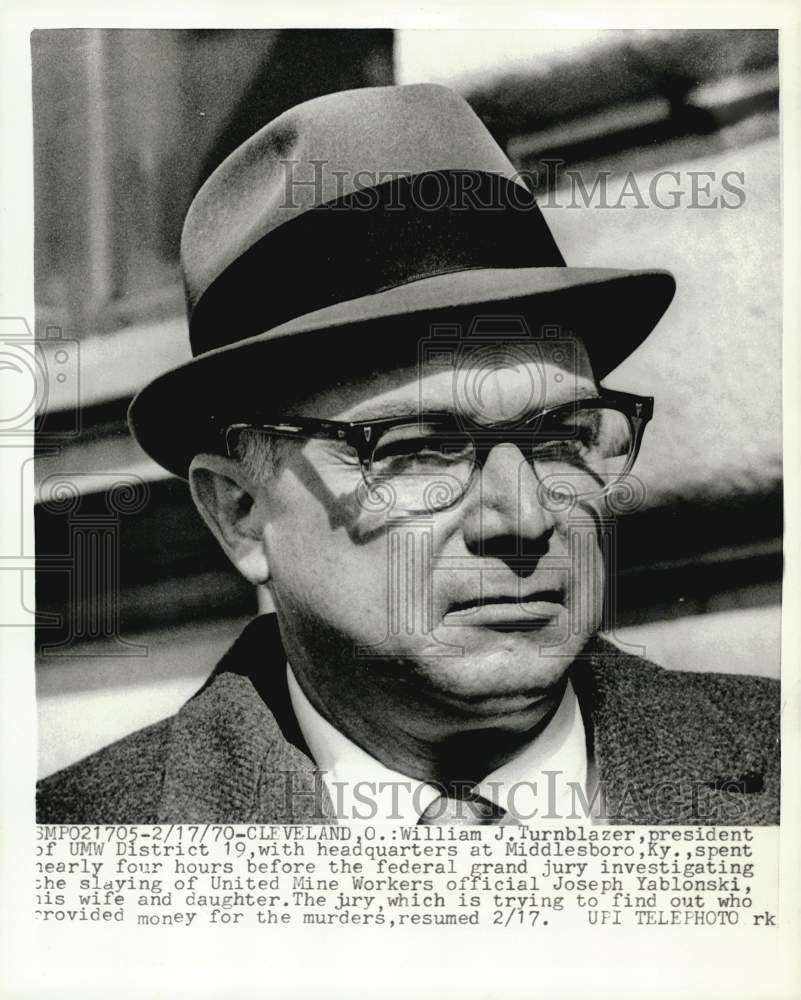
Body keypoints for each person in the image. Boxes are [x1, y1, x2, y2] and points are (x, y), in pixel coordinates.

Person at [37, 83, 779, 826]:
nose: (521, 518)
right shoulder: (62, 848)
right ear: (239, 512)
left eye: (560, 438)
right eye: (422, 449)